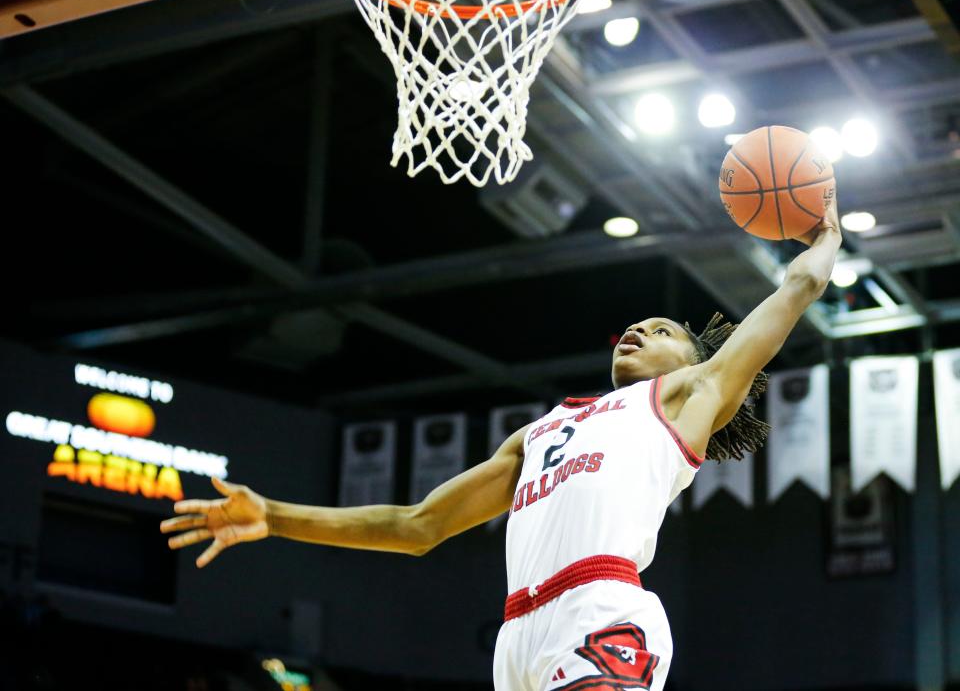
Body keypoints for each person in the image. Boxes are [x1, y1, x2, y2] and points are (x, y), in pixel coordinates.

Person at [161, 199, 842, 691]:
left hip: (600, 610)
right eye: (637, 322)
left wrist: (823, 235)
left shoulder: (685, 400)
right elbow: (417, 526)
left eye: (662, 329)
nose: (639, 328)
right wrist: (276, 517)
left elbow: (795, 292)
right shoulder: (537, 434)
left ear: (693, 365)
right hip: (516, 639)